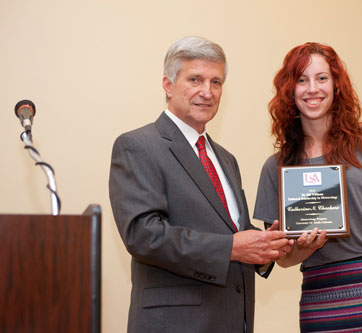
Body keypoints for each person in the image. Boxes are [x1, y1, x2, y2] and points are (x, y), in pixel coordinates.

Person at [109, 36, 291, 332]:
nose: (207, 92)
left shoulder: (226, 159)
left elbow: (235, 232)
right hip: (175, 324)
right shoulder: (137, 146)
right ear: (168, 85)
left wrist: (266, 245)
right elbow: (144, 235)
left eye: (216, 82)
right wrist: (231, 248)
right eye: (195, 79)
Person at [254, 42, 362, 332]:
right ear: (289, 91)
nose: (312, 89)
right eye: (301, 80)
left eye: (322, 78)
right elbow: (284, 260)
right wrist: (306, 249)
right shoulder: (276, 167)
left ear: (336, 85)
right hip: (321, 304)